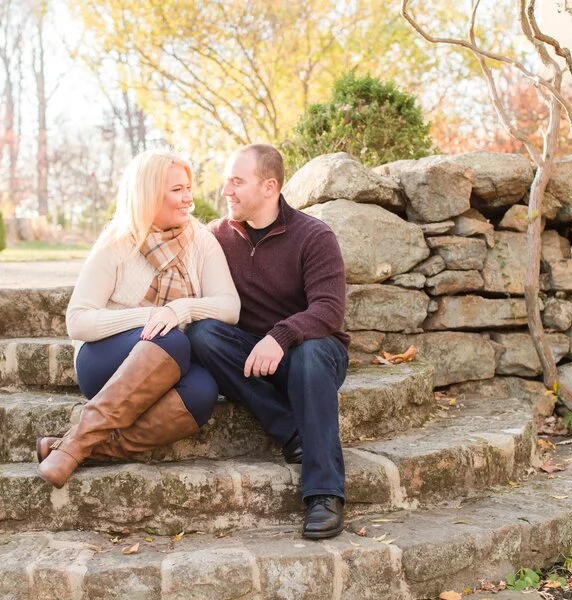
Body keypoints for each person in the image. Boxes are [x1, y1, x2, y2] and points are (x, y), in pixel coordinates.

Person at [37, 149, 240, 489]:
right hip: (105, 363)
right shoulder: (117, 242)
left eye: (188, 188)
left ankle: (78, 446)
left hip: (171, 365)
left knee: (204, 391)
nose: (188, 198)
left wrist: (180, 310)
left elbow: (229, 306)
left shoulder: (201, 241)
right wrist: (151, 317)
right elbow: (78, 320)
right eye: (177, 190)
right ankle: (74, 446)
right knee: (170, 338)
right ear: (149, 192)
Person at [186, 144, 349, 539]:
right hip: (248, 354)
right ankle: (291, 430)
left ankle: (324, 493)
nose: (227, 190)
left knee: (310, 352)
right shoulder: (216, 237)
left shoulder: (314, 235)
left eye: (237, 181)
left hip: (311, 353)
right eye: (227, 180)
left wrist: (282, 336)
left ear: (269, 187)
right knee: (202, 333)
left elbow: (329, 310)